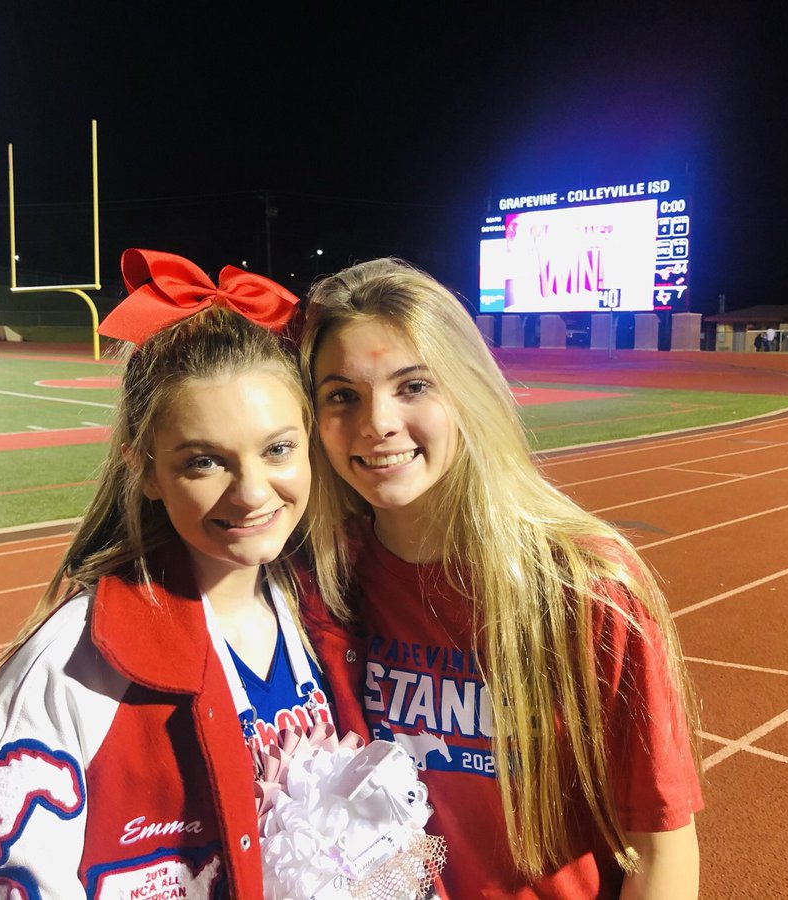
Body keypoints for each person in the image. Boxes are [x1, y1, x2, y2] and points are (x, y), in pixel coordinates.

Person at [0, 250, 366, 899]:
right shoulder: (75, 666)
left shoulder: (326, 610)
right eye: (205, 462)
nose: (253, 492)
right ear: (144, 469)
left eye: (278, 448)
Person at [298, 259, 702, 898]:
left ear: (468, 392)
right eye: (341, 394)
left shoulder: (585, 587)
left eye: (413, 386)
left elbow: (662, 850)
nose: (377, 423)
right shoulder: (320, 581)